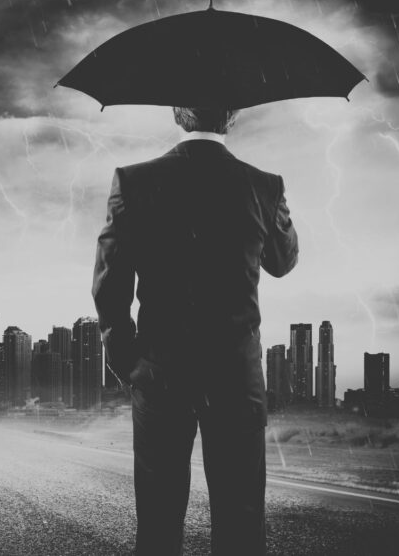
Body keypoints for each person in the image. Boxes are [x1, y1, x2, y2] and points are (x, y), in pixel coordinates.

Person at [92, 106, 298, 555]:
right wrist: (275, 203)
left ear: (177, 113)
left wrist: (131, 365)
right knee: (241, 522)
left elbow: (109, 287)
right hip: (236, 378)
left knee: (159, 522)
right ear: (233, 115)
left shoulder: (135, 182)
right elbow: (283, 262)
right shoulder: (262, 185)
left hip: (161, 373)